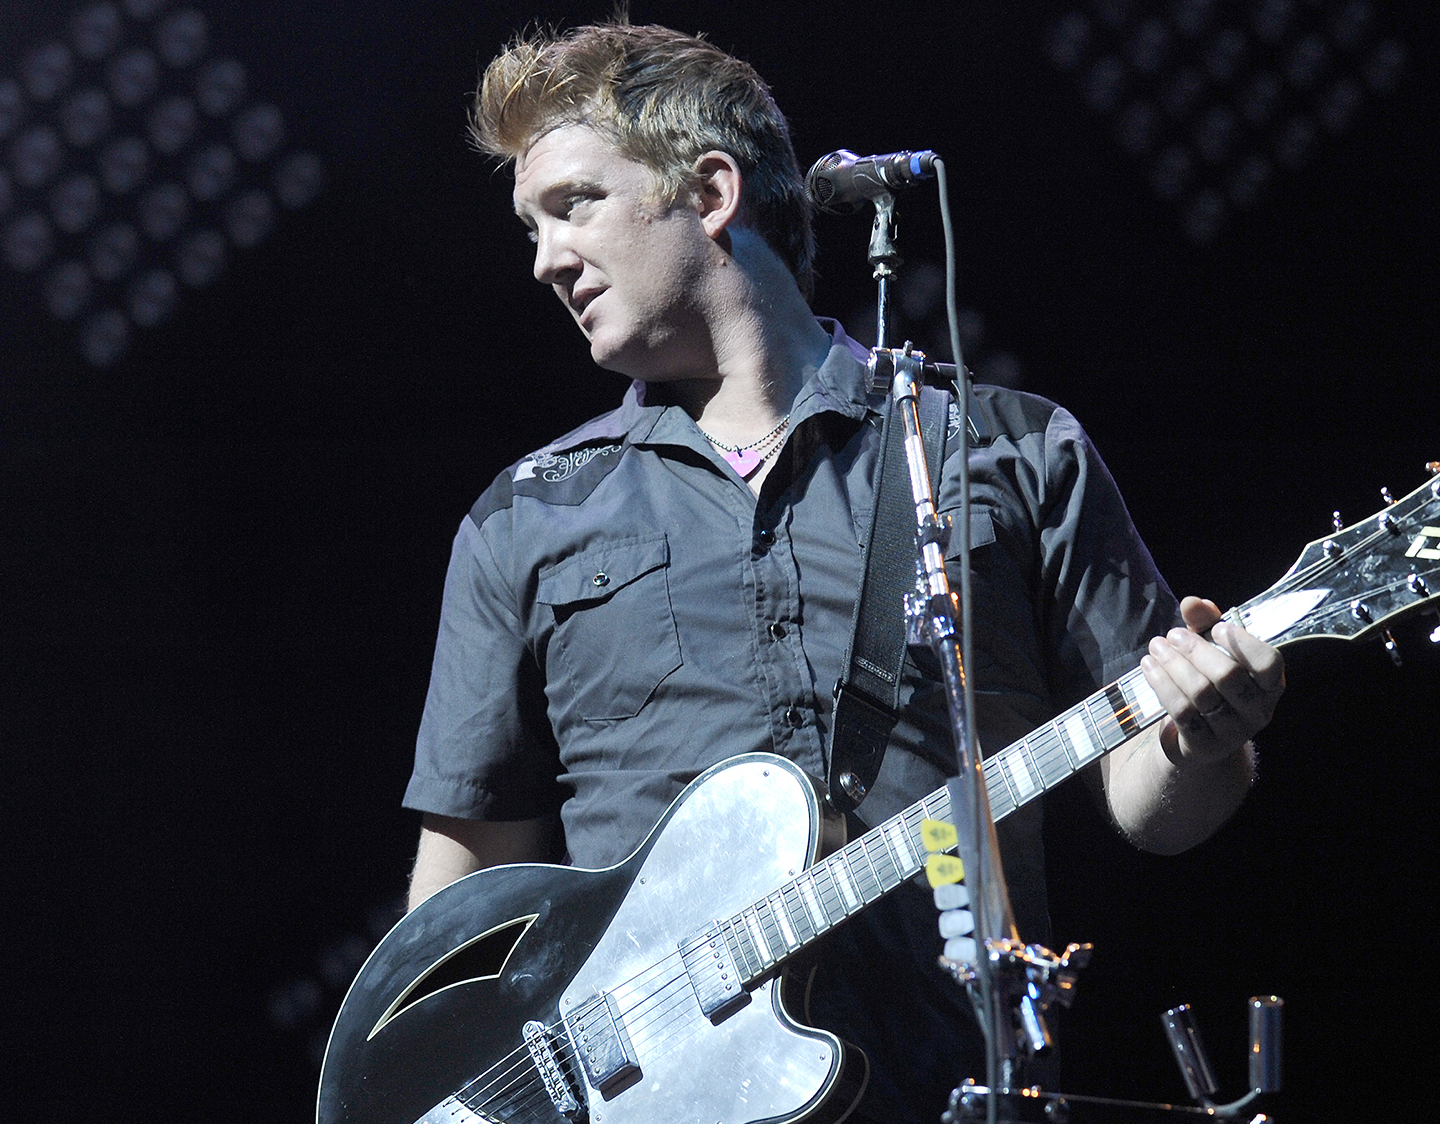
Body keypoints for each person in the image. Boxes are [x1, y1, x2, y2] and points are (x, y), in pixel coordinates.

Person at [401, 21, 1286, 1124]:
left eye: (573, 204)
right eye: (531, 226)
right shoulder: (526, 517)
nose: (544, 258)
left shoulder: (1006, 450)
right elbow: (460, 908)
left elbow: (1158, 810)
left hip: (948, 1091)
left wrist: (1206, 735)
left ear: (709, 191)